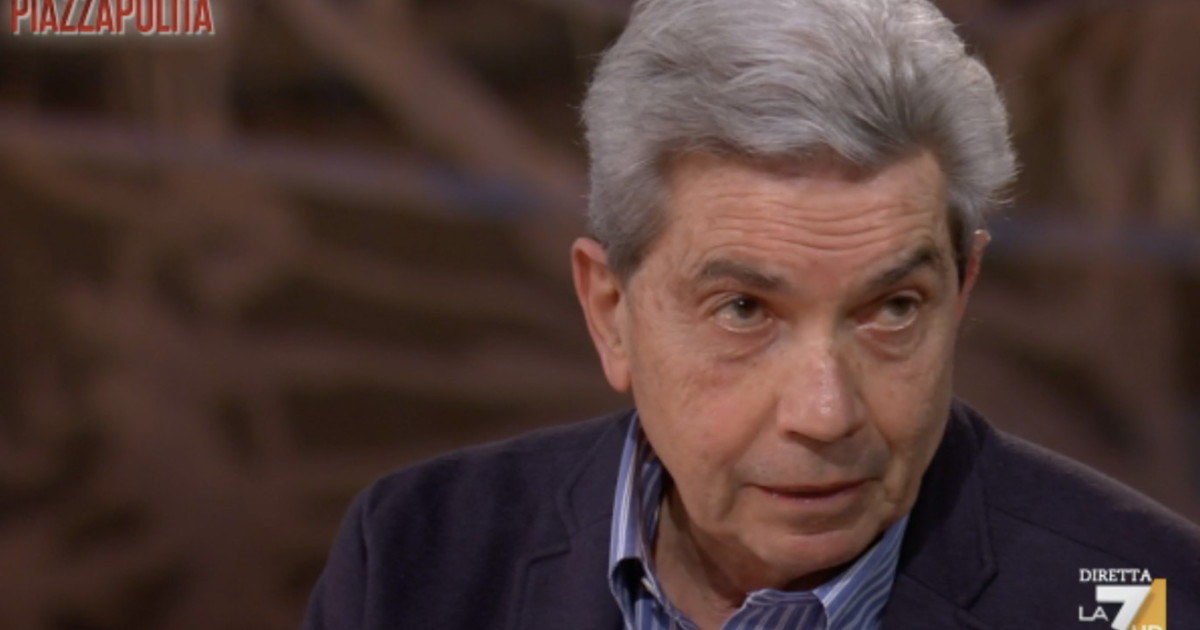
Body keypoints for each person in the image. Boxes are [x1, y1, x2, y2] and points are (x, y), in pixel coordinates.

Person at [300, 0, 1200, 628]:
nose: (826, 413)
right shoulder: (415, 562)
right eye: (744, 310)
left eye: (893, 309)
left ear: (960, 295)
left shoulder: (1142, 598)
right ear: (610, 312)